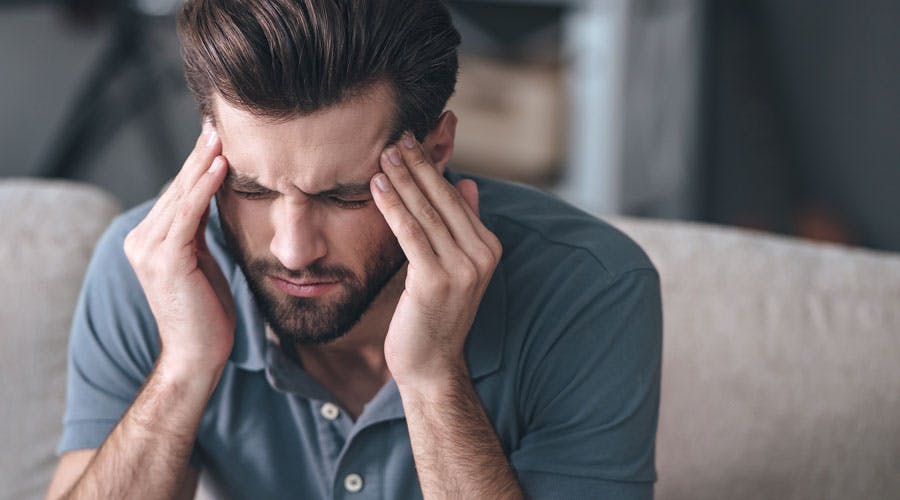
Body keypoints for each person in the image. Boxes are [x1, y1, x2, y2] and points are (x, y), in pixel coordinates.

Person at [47, 1, 662, 498]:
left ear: (436, 151)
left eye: (343, 197)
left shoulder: (592, 289)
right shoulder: (155, 269)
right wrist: (182, 370)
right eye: (251, 189)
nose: (292, 251)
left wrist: (432, 381)